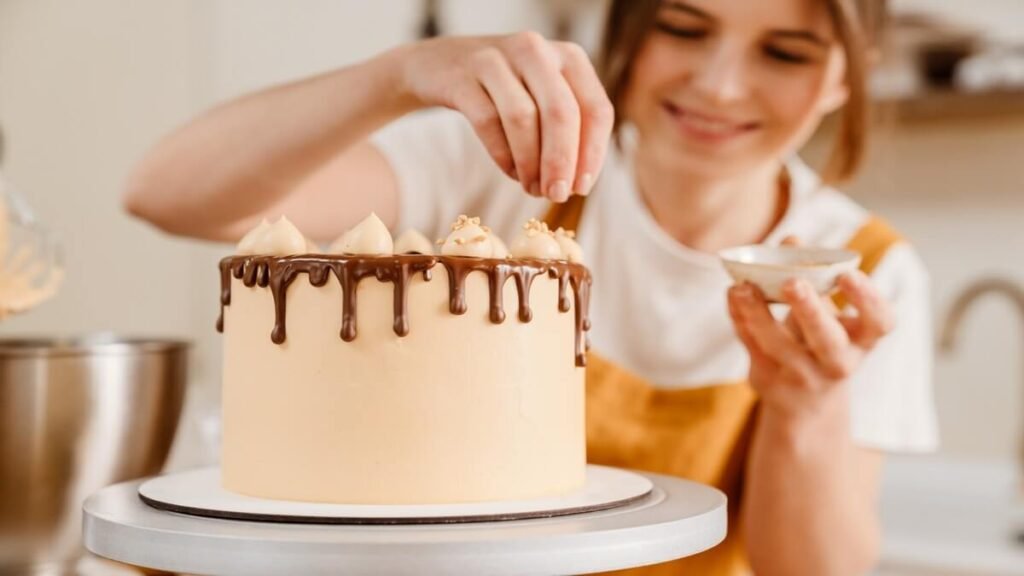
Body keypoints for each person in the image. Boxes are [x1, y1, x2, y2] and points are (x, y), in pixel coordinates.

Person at [124, 0, 937, 573]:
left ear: (848, 77)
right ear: (627, 31)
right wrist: (398, 76)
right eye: (683, 28)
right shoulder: (491, 170)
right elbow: (165, 193)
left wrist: (805, 410)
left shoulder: (863, 271)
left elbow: (812, 571)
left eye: (786, 53)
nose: (721, 84)